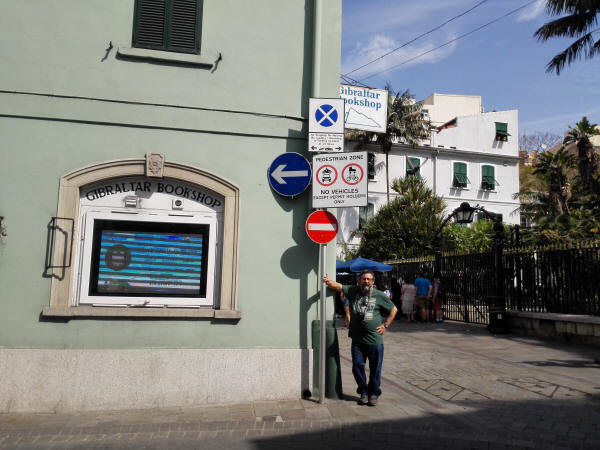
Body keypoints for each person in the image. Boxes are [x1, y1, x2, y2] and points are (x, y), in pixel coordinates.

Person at [323, 270, 397, 407]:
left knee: (375, 369)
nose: (366, 281)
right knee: (357, 367)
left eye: (369, 279)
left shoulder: (379, 295)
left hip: (375, 341)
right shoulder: (353, 290)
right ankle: (363, 392)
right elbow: (338, 286)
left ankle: (373, 394)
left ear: (373, 281)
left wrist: (385, 325)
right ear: (359, 281)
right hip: (357, 340)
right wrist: (327, 281)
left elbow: (394, 309)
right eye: (363, 279)